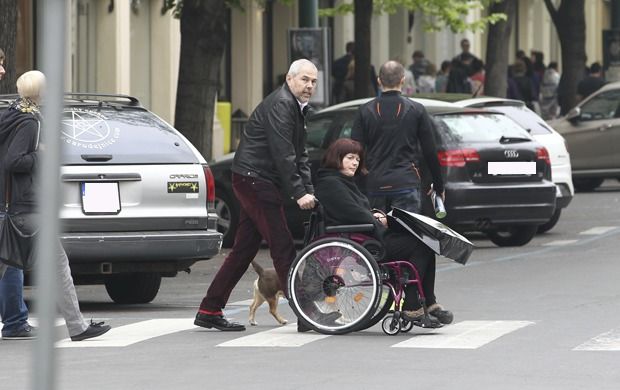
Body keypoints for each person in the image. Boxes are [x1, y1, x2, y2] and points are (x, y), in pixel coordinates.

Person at [194, 59, 318, 332]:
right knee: (282, 244)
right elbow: (284, 154)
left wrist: (309, 190)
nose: (309, 86)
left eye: (313, 81)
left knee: (243, 250)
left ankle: (209, 309)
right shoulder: (282, 105)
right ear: (289, 79)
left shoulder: (295, 106)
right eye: (304, 80)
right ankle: (306, 313)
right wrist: (299, 193)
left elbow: (301, 155)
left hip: (255, 178)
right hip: (256, 179)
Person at [0, 70, 111, 342]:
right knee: (58, 263)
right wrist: (41, 155)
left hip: (12, 205)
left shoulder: (11, 113)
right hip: (25, 208)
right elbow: (14, 161)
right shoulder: (29, 121)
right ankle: (78, 327)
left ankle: (76, 326)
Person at [314, 138, 453, 325]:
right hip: (358, 241)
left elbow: (358, 210)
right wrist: (377, 220)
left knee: (425, 242)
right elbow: (351, 212)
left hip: (364, 235)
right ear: (336, 158)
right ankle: (413, 305)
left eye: (357, 159)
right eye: (350, 158)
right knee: (421, 246)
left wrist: (375, 216)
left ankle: (428, 302)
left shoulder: (342, 181)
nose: (355, 163)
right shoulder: (331, 183)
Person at [351, 60, 445, 215]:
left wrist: (356, 183)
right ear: (403, 80)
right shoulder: (417, 110)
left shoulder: (365, 110)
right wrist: (438, 185)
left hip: (375, 183)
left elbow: (355, 149)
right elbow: (430, 152)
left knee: (377, 233)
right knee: (406, 234)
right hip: (406, 182)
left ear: (379, 81)